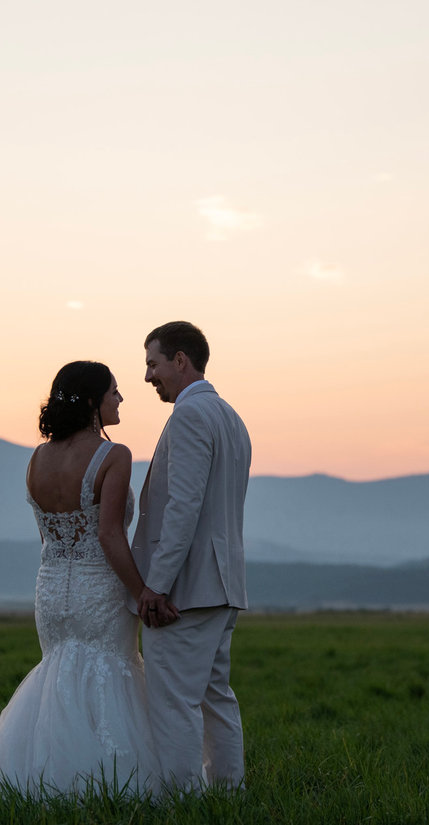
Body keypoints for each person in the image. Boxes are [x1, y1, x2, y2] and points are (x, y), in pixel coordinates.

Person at [0, 360, 176, 797]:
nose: (121, 398)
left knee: (61, 675)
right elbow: (109, 534)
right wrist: (142, 592)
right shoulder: (114, 455)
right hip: (99, 587)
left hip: (49, 588)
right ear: (91, 402)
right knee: (109, 674)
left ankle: (46, 784)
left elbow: (47, 537)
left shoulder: (37, 459)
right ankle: (110, 788)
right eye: (113, 392)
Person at [130, 321, 252, 792]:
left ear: (180, 360)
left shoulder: (189, 416)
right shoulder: (230, 416)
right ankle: (227, 795)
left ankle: (184, 803)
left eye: (152, 364)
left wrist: (157, 585)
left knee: (174, 701)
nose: (148, 377)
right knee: (215, 695)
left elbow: (183, 509)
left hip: (188, 588)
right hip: (223, 585)